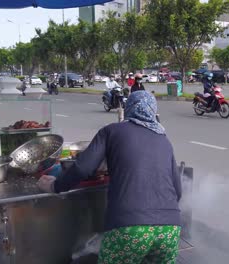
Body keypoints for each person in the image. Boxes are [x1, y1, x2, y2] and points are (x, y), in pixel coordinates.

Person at [38, 91, 182, 263]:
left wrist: (55, 186)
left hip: (130, 227)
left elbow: (83, 168)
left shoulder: (111, 131)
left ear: (130, 108)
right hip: (170, 229)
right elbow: (177, 190)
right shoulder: (163, 139)